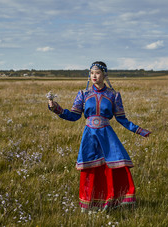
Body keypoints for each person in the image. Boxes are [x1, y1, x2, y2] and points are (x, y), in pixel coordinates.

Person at [48, 61, 150, 211]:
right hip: (89, 135)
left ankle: (115, 201)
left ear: (104, 75)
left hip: (107, 136)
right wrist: (56, 108)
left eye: (97, 73)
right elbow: (74, 115)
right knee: (90, 169)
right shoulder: (83, 94)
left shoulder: (113, 95)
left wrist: (139, 130)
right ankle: (91, 203)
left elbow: (122, 119)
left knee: (114, 168)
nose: (94, 76)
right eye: (91, 73)